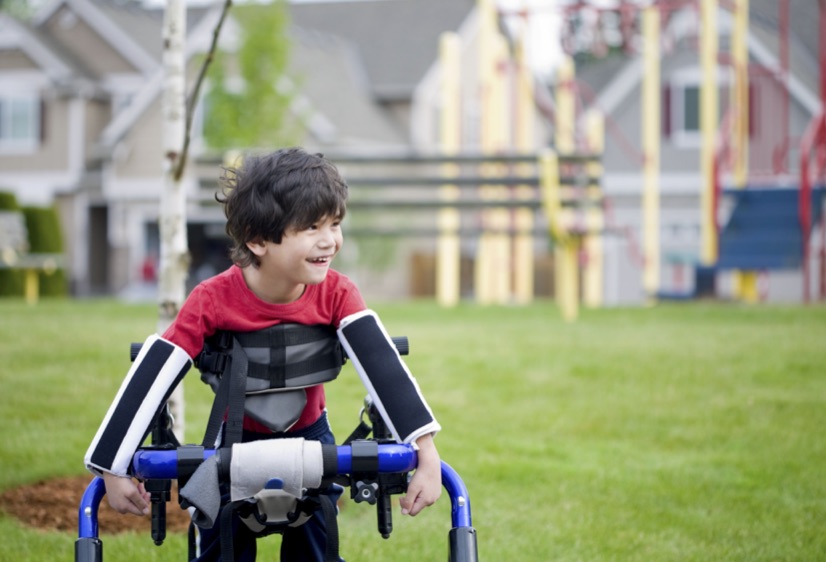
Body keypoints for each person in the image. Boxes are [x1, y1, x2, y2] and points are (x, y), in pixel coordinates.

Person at [84, 147, 442, 561]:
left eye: (335, 223)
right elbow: (157, 370)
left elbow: (385, 370)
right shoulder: (212, 299)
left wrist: (426, 453)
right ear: (257, 240)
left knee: (317, 554)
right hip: (234, 446)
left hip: (312, 442)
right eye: (311, 226)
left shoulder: (338, 293)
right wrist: (112, 466)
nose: (330, 240)